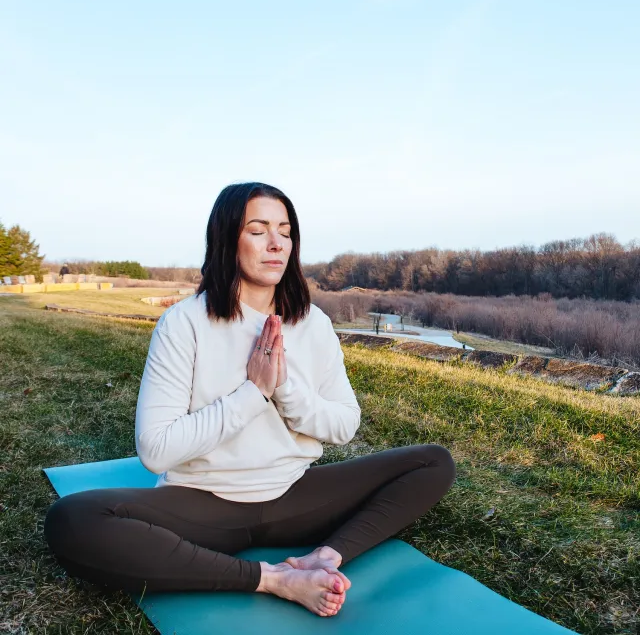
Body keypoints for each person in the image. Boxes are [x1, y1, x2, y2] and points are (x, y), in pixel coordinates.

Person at [44, 182, 456, 618]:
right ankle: (276, 579)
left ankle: (325, 558)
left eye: (285, 230)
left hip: (295, 496)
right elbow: (155, 448)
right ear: (228, 240)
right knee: (73, 519)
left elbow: (343, 425)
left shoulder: (313, 323)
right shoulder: (184, 323)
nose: (277, 243)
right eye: (258, 230)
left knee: (433, 462)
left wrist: (284, 390)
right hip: (204, 504)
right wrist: (253, 392)